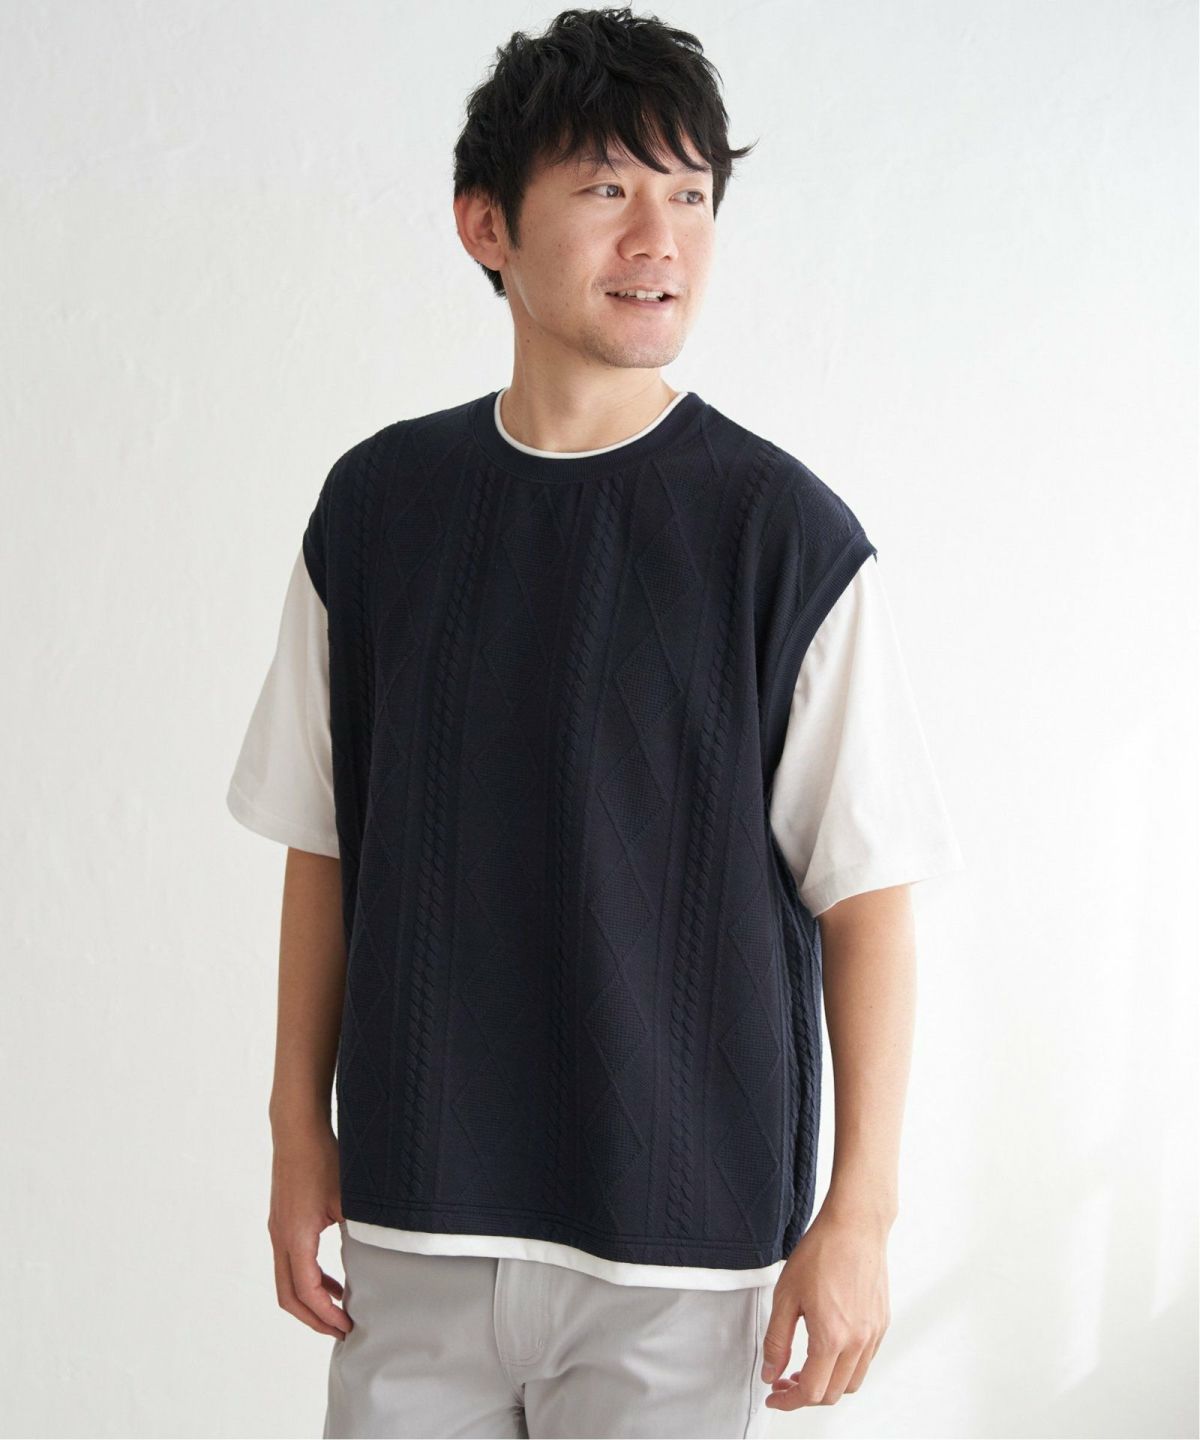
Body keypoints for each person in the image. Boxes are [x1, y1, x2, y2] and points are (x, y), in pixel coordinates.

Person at [226, 7, 965, 1437]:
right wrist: (294, 1131)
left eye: (689, 195)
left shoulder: (784, 540)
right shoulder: (375, 513)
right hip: (415, 1220)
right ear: (485, 224)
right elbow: (323, 844)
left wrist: (858, 1216)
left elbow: (869, 898)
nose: (659, 239)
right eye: (609, 187)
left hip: (679, 1250)